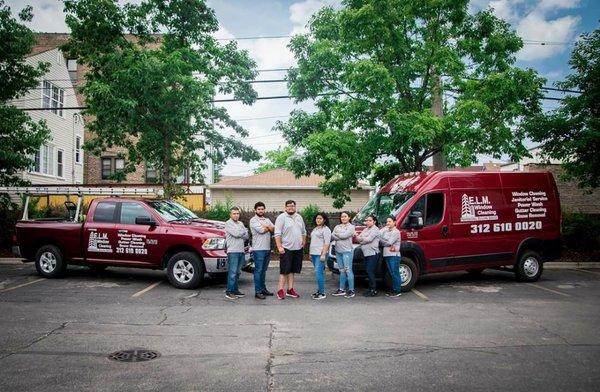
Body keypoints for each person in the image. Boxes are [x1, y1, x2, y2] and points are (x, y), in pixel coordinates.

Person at [274, 200, 307, 300]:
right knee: (284, 270)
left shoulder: (299, 217)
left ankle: (290, 289)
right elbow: (277, 233)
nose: (291, 208)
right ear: (285, 207)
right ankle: (280, 290)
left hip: (297, 248)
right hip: (286, 248)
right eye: (288, 206)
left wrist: (303, 241)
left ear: (295, 207)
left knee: (292, 270)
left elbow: (303, 231)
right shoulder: (281, 218)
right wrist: (279, 246)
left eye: (292, 206)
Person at [249, 202, 275, 300]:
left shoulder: (267, 219)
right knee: (258, 271)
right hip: (258, 249)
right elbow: (261, 230)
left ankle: (263, 289)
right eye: (259, 209)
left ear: (264, 210)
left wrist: (267, 227)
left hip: (267, 249)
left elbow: (274, 229)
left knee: (263, 271)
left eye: (262, 209)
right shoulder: (253, 220)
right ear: (255, 210)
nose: (261, 211)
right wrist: (268, 227)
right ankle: (258, 291)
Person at [224, 207, 249, 300]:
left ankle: (235, 290)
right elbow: (236, 234)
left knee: (238, 273)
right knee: (232, 273)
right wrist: (243, 231)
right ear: (230, 215)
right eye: (234, 213)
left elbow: (246, 236)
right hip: (233, 251)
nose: (236, 215)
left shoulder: (241, 223)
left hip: (241, 251)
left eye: (237, 213)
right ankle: (229, 291)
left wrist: (242, 232)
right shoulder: (228, 223)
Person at [331, 212, 356, 298]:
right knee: (341, 270)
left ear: (349, 217)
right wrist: (340, 236)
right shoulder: (337, 226)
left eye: (345, 216)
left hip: (347, 251)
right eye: (342, 217)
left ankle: (351, 290)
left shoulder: (351, 227)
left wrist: (338, 235)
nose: (343, 218)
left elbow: (345, 236)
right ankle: (341, 289)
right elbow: (332, 236)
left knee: (348, 270)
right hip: (338, 251)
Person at [356, 214, 381, 297]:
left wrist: (362, 240)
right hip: (366, 253)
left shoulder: (376, 229)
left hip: (373, 254)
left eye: (370, 220)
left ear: (374, 222)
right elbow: (358, 238)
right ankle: (370, 289)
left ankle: (373, 290)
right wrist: (363, 239)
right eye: (367, 220)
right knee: (368, 271)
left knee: (370, 271)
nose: (368, 222)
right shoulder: (365, 229)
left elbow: (369, 239)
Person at [309, 213, 332, 300]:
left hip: (320, 254)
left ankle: (322, 293)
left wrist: (323, 254)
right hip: (314, 254)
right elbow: (313, 242)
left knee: (319, 273)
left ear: (324, 220)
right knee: (318, 273)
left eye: (320, 218)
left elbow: (327, 243)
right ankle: (319, 291)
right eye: (317, 218)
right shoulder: (315, 229)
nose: (318, 220)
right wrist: (310, 254)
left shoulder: (326, 230)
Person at [380, 215, 402, 297]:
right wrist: (384, 240)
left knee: (394, 273)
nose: (387, 223)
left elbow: (389, 243)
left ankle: (397, 291)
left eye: (389, 221)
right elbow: (379, 234)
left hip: (394, 255)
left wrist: (382, 241)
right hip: (387, 255)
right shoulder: (386, 230)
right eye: (387, 221)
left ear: (394, 222)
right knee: (391, 273)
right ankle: (393, 289)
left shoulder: (396, 232)